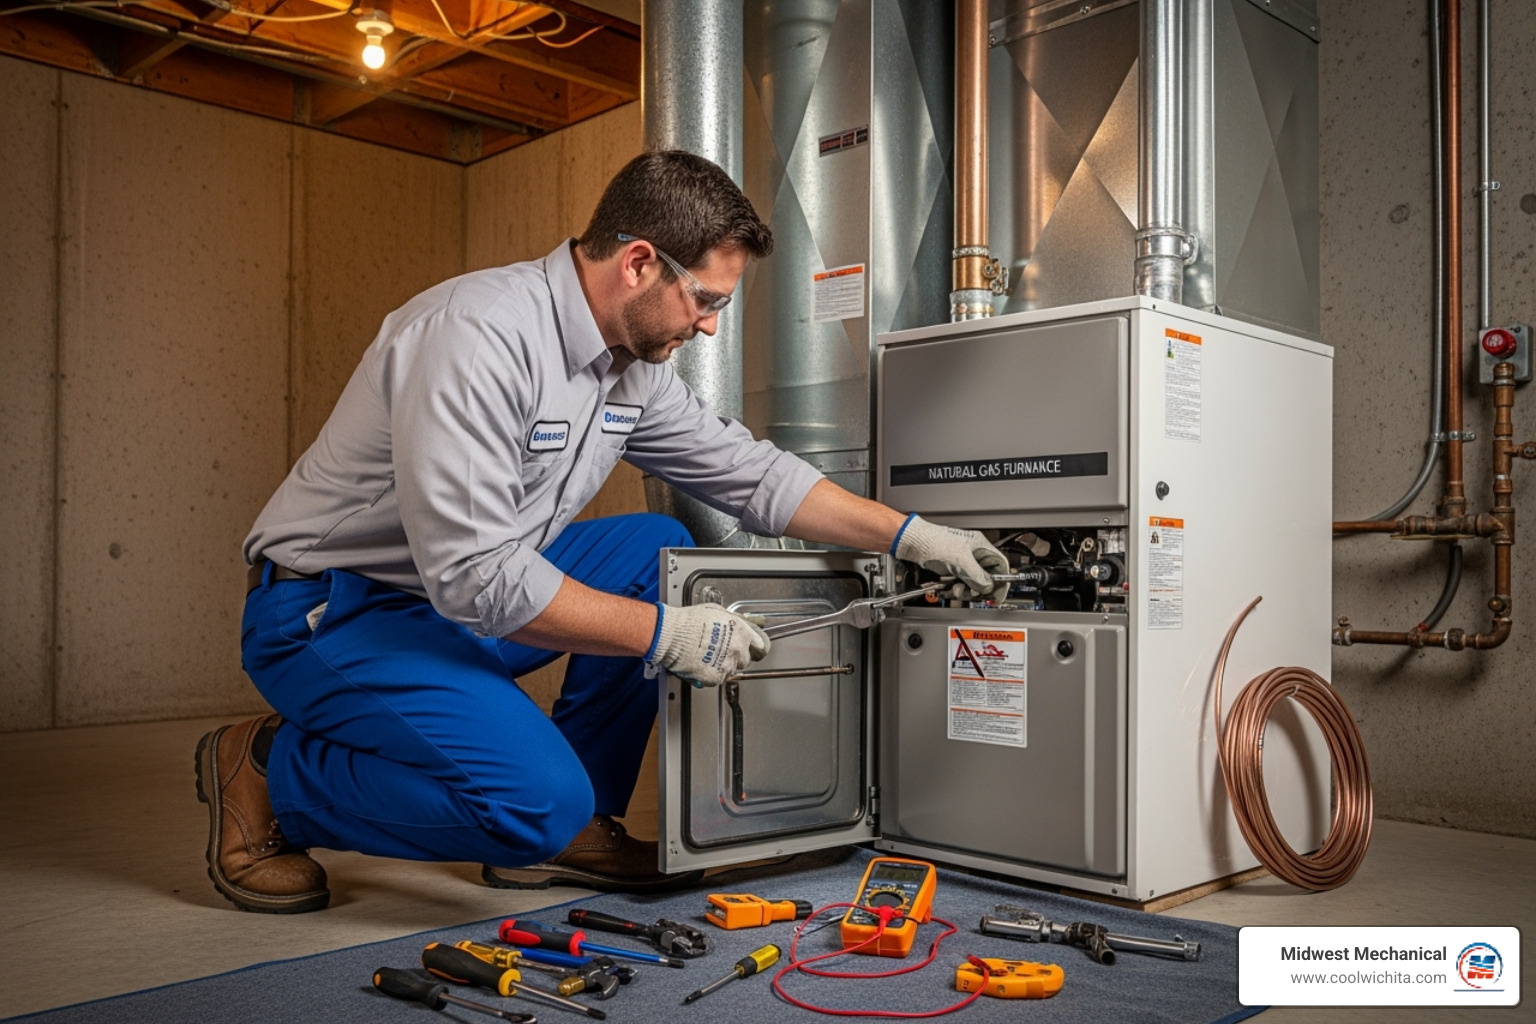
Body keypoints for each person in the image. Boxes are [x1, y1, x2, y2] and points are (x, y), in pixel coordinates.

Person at [197, 150, 1008, 914]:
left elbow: (753, 476)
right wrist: (667, 634)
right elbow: (478, 578)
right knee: (533, 802)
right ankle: (273, 773)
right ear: (640, 263)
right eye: (709, 300)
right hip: (331, 613)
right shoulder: (477, 338)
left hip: (446, 600)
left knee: (648, 547)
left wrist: (911, 536)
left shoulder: (629, 370)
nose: (713, 326)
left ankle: (572, 828)